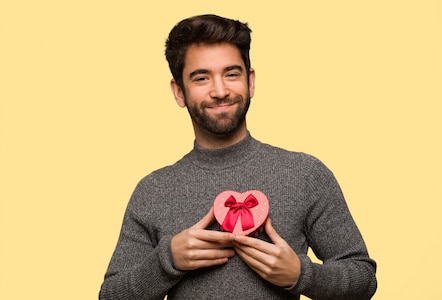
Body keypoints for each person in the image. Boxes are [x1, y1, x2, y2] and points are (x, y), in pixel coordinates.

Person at [99, 14, 377, 300]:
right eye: (202, 78)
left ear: (251, 81)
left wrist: (302, 275)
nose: (220, 91)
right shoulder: (153, 190)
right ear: (179, 92)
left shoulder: (305, 174)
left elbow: (363, 279)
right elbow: (110, 295)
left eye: (231, 74)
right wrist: (166, 261)